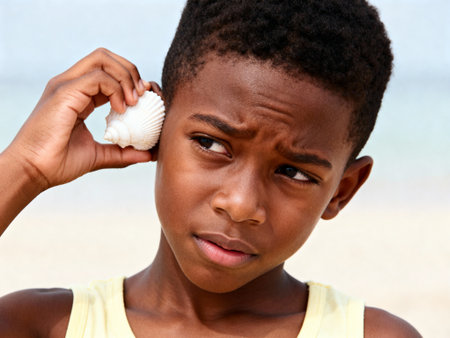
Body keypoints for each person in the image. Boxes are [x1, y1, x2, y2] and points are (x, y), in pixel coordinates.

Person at [0, 0, 421, 337]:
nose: (240, 204)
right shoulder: (40, 325)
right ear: (158, 128)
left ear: (342, 191)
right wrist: (25, 168)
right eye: (212, 143)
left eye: (294, 172)